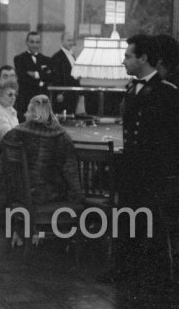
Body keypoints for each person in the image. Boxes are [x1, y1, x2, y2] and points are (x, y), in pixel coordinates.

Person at [114, 34, 179, 306]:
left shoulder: (167, 93)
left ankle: (153, 278)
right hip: (132, 170)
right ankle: (128, 272)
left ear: (143, 59)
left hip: (153, 174)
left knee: (151, 226)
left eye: (129, 56)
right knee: (129, 219)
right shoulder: (132, 89)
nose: (124, 60)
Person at [0, 94, 84, 244]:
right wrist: (80, 199)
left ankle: (21, 228)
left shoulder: (15, 133)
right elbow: (71, 174)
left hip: (17, 195)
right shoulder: (62, 137)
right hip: (48, 195)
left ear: (29, 112)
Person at [14, 31, 53, 122]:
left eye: (37, 42)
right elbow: (23, 78)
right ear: (27, 42)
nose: (35, 45)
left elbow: (51, 77)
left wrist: (36, 74)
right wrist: (41, 80)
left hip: (42, 101)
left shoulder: (46, 59)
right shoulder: (19, 59)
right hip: (26, 100)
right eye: (32, 42)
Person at [50, 31, 82, 114]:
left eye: (72, 40)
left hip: (72, 93)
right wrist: (59, 93)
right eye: (68, 40)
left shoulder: (72, 55)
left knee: (71, 115)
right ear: (62, 41)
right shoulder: (57, 57)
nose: (71, 43)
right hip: (63, 94)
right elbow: (56, 76)